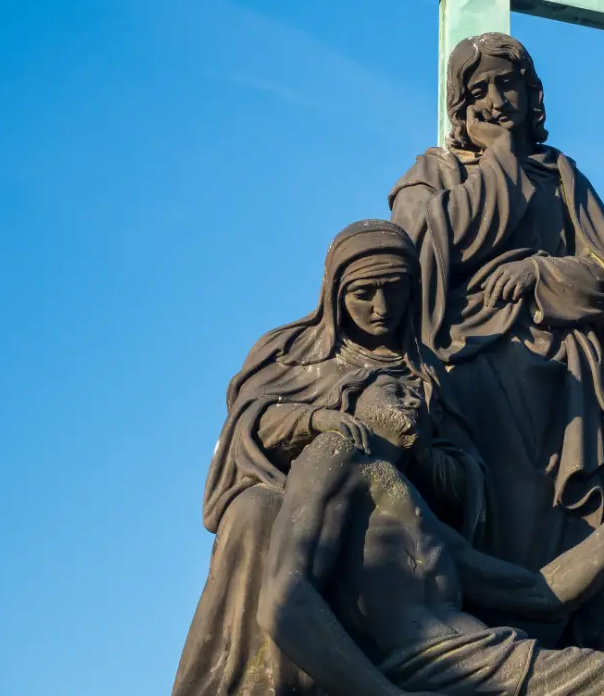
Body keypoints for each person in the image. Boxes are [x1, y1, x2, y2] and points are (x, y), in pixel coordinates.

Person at [173, 220, 482, 696]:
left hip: (384, 524)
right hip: (293, 498)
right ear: (336, 293)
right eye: (365, 293)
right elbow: (250, 422)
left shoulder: (426, 377)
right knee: (256, 514)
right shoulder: (292, 353)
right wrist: (315, 420)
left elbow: (464, 481)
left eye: (395, 291)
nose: (381, 308)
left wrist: (417, 449)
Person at [258, 372, 604, 696]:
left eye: (420, 396)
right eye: (394, 388)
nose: (413, 399)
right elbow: (284, 599)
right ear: (350, 401)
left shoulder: (409, 507)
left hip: (489, 658)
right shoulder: (338, 450)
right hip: (454, 667)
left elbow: (540, 592)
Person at [389, 33, 604, 585]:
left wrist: (540, 273)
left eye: (506, 84)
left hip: (565, 372)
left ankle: (573, 604)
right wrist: (501, 166)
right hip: (468, 357)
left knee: (567, 480)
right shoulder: (432, 174)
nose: (495, 100)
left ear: (528, 91)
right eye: (478, 89)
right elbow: (415, 256)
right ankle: (500, 603)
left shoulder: (562, 178)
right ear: (461, 106)